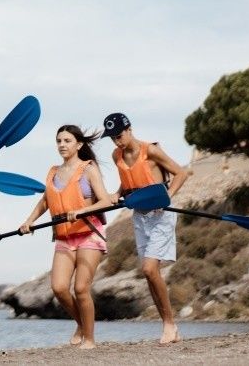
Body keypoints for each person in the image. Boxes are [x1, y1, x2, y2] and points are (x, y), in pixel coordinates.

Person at [17, 125, 113, 350]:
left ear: (79, 145)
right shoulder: (53, 172)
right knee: (59, 288)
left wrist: (81, 211)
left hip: (90, 233)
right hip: (64, 237)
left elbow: (106, 201)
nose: (62, 145)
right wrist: (29, 221)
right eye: (59, 141)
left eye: (67, 141)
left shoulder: (88, 169)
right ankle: (81, 324)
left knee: (81, 289)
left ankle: (89, 338)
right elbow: (45, 202)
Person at [103, 111, 190, 344]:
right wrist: (117, 194)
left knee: (151, 269)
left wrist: (167, 197)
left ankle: (169, 325)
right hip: (139, 216)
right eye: (112, 138)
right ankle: (170, 327)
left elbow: (181, 172)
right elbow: (128, 178)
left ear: (129, 129)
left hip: (161, 215)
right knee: (148, 273)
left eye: (119, 135)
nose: (116, 141)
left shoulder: (150, 151)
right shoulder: (116, 155)